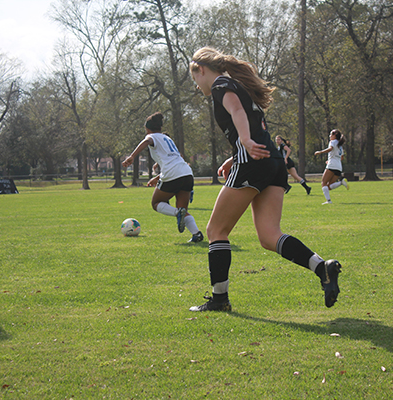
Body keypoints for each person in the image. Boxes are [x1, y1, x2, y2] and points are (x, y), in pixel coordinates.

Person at [189, 46, 341, 311]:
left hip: (253, 164)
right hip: (273, 164)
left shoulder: (220, 84)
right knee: (269, 236)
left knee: (216, 231)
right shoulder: (238, 85)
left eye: (195, 79)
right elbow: (251, 123)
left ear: (201, 70)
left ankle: (220, 300)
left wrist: (244, 143)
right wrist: (238, 151)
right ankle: (322, 268)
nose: (197, 85)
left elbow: (236, 112)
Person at [122, 112, 204, 243]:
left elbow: (147, 141)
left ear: (147, 128)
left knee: (156, 203)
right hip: (187, 173)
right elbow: (178, 159)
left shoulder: (151, 136)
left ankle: (178, 214)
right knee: (183, 210)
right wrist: (158, 177)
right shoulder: (167, 139)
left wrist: (132, 156)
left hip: (173, 174)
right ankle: (197, 234)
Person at [314, 129, 349, 205]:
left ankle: (329, 201)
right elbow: (341, 158)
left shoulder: (333, 142)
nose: (329, 136)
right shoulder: (340, 146)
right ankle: (341, 183)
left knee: (323, 183)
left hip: (332, 165)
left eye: (331, 134)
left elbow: (330, 149)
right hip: (339, 166)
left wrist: (320, 152)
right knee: (328, 186)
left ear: (335, 135)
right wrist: (332, 159)